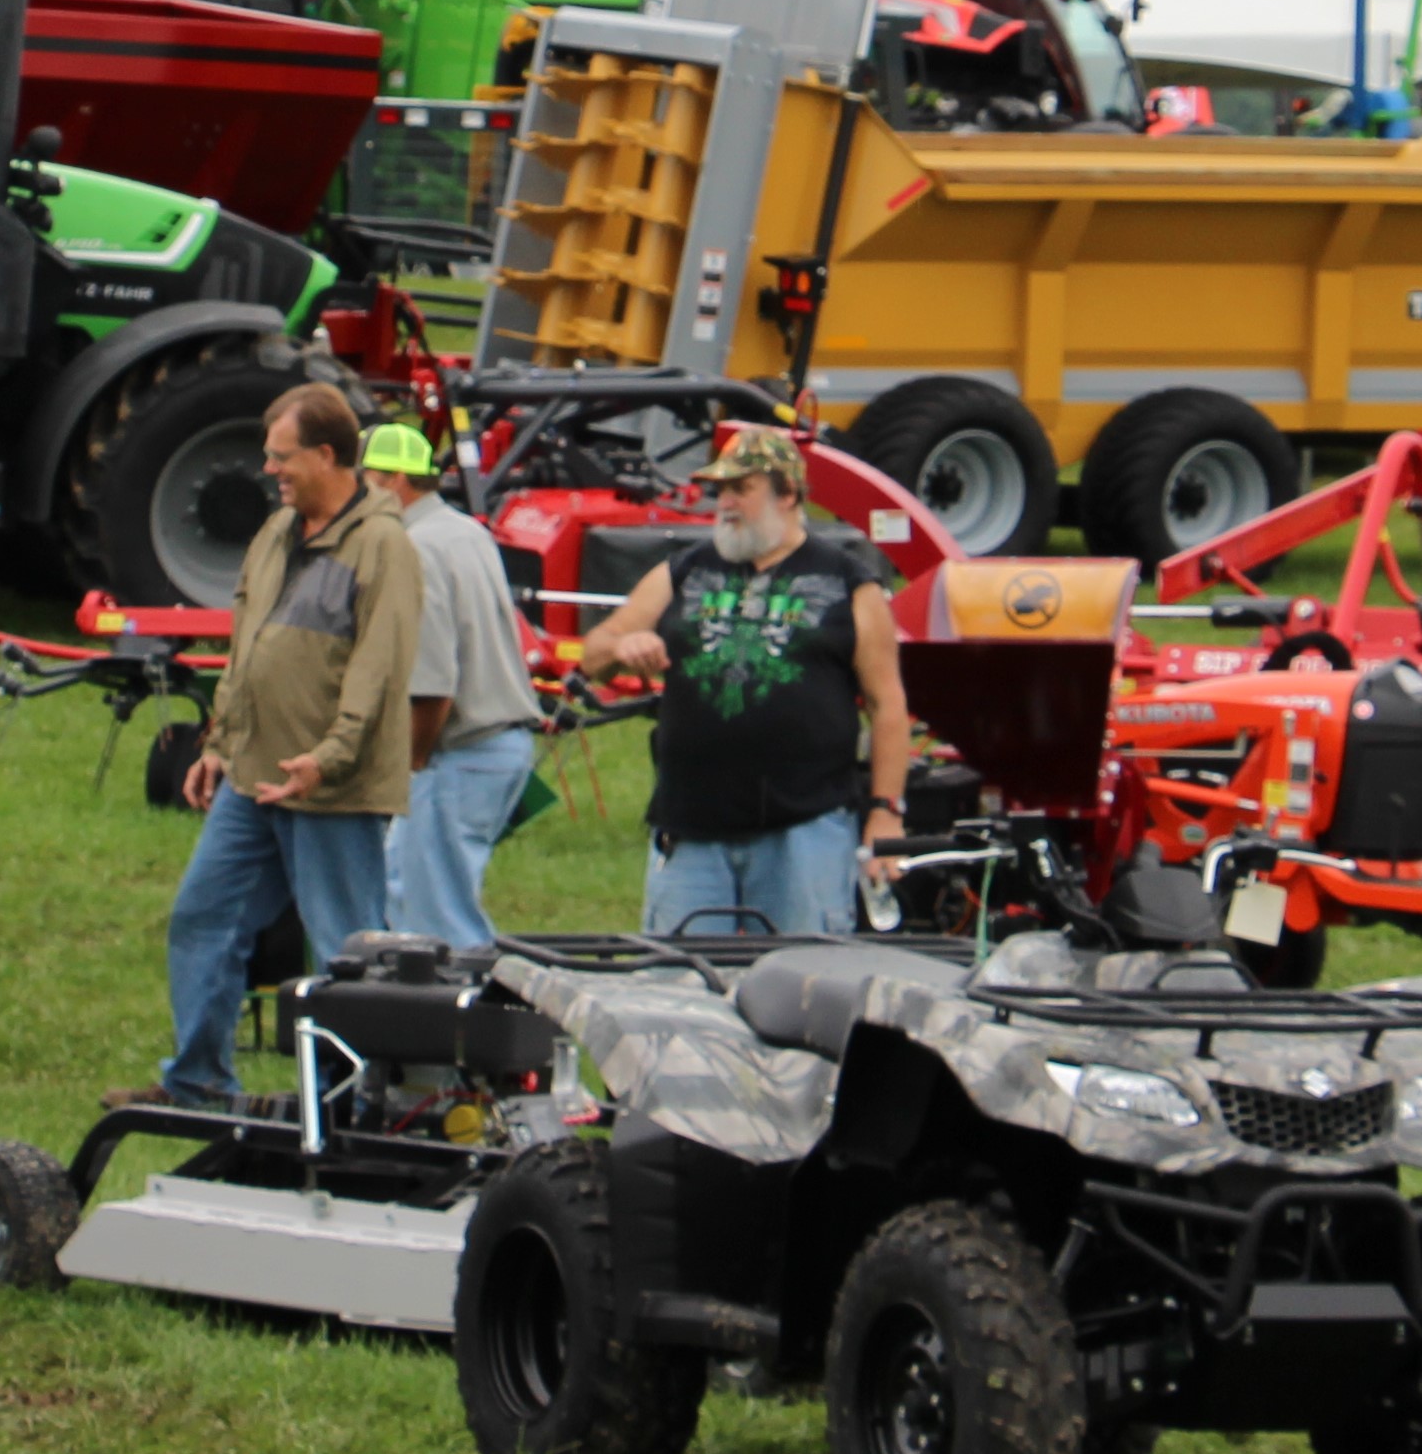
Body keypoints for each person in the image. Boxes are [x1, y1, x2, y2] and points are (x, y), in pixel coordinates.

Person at [132, 386, 421, 1105]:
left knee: (345, 951)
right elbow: (246, 645)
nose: (270, 471)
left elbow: (379, 668)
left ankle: (357, 1101)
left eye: (281, 456)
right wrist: (218, 744)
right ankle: (197, 1082)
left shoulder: (383, 546)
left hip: (331, 788)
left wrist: (326, 758)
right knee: (203, 917)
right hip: (253, 777)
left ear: (327, 455)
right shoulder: (273, 534)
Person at [578, 425, 912, 938]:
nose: (725, 503)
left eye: (741, 489)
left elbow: (888, 705)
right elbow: (594, 654)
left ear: (789, 494)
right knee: (679, 988)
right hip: (691, 826)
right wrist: (621, 648)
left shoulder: (848, 583)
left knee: (801, 988)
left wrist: (886, 813)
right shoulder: (683, 572)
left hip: (805, 828)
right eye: (720, 490)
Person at [367, 419, 538, 947]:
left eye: (365, 480)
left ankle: (481, 1019)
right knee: (404, 893)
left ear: (395, 481)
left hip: (458, 750)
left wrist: (408, 767)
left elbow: (433, 684)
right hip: (500, 744)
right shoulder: (466, 530)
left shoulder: (414, 549)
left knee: (438, 924)